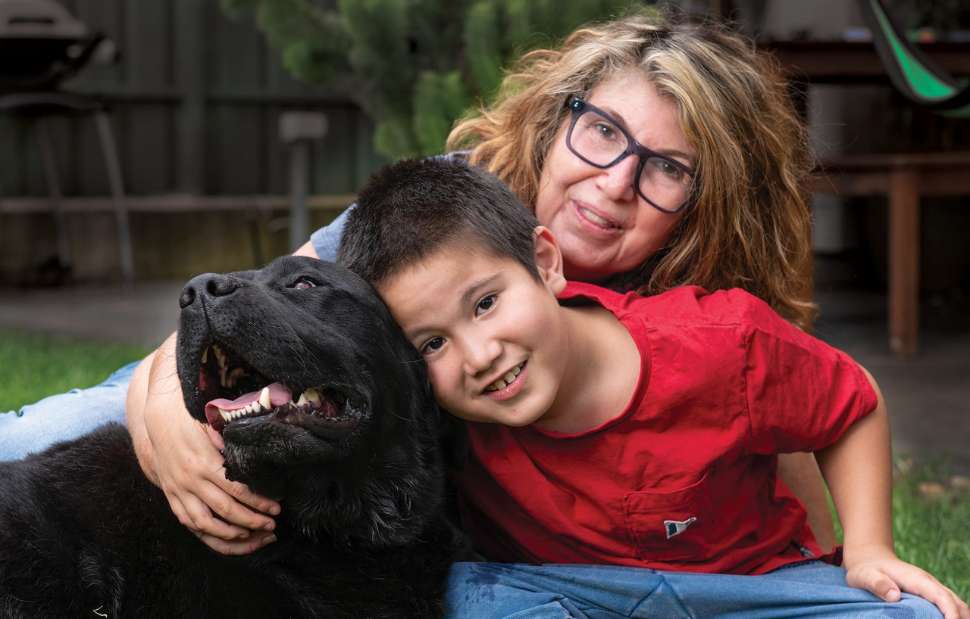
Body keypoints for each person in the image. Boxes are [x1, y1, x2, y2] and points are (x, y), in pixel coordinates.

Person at [8, 11, 829, 557]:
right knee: (44, 442)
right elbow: (254, 310)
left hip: (416, 511)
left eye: (667, 171)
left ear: (710, 202)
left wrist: (846, 568)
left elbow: (785, 427)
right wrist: (162, 414)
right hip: (258, 393)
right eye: (604, 132)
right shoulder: (446, 210)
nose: (615, 182)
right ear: (559, 116)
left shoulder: (697, 315)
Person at [337, 155, 967, 618]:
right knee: (456, 600)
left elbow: (850, 402)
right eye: (432, 344)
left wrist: (869, 549)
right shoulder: (434, 405)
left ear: (546, 264)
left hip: (753, 592)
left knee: (913, 615)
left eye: (485, 304)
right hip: (569, 598)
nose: (477, 355)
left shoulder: (722, 342)